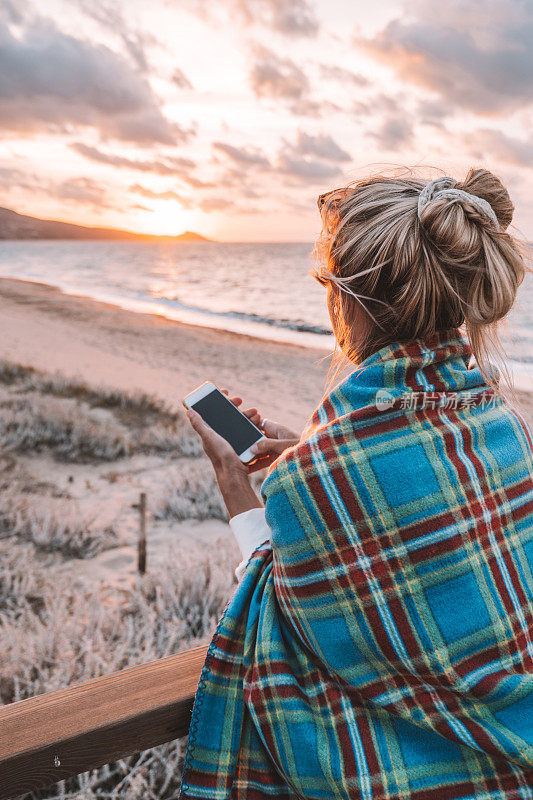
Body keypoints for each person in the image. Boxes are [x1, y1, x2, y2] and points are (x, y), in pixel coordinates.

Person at [180, 169, 533, 800]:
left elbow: (278, 603)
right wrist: (311, 457)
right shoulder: (505, 426)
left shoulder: (320, 474)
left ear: (345, 300)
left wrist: (237, 485)